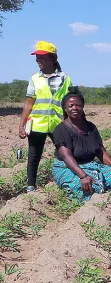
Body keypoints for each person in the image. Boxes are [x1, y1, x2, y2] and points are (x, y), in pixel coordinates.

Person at [52, 87, 111, 201]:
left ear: (82, 107)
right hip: (68, 167)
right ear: (65, 108)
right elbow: (67, 156)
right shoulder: (61, 129)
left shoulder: (90, 127)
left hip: (89, 164)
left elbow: (100, 151)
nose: (75, 108)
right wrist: (83, 176)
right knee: (86, 187)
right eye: (71, 106)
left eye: (78, 105)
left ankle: (107, 196)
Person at [19, 41, 72, 193]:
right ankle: (31, 187)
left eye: (42, 57)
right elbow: (28, 104)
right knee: (34, 156)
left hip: (58, 124)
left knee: (65, 154)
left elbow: (70, 101)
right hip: (37, 124)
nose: (38, 61)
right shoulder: (35, 78)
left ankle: (66, 181)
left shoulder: (65, 78)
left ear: (53, 59)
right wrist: (21, 124)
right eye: (37, 58)